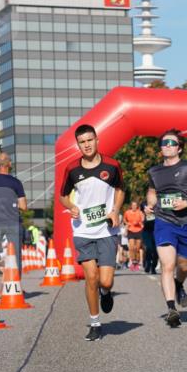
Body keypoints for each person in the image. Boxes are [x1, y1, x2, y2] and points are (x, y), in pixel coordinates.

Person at [59, 124, 124, 341]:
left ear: (97, 140)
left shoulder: (112, 165)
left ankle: (106, 293)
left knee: (105, 281)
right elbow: (62, 196)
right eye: (82, 142)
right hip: (83, 230)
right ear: (78, 145)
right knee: (91, 277)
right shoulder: (72, 169)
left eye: (89, 140)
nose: (86, 145)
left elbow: (120, 190)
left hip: (106, 229)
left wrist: (115, 210)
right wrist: (71, 206)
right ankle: (95, 323)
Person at [144, 129, 187, 328]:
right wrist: (150, 204)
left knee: (185, 266)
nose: (167, 145)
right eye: (164, 142)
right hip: (164, 221)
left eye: (172, 142)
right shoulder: (154, 171)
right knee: (168, 265)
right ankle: (171, 309)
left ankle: (179, 284)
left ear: (179, 147)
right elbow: (152, 192)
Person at [123, 200, 144, 271]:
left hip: (139, 230)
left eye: (135, 205)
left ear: (137, 206)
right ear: (131, 206)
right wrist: (127, 223)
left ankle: (137, 261)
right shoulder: (127, 212)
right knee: (131, 247)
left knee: (137, 248)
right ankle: (132, 261)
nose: (134, 207)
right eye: (133, 205)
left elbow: (143, 219)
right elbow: (124, 220)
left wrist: (140, 222)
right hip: (131, 230)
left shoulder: (140, 212)